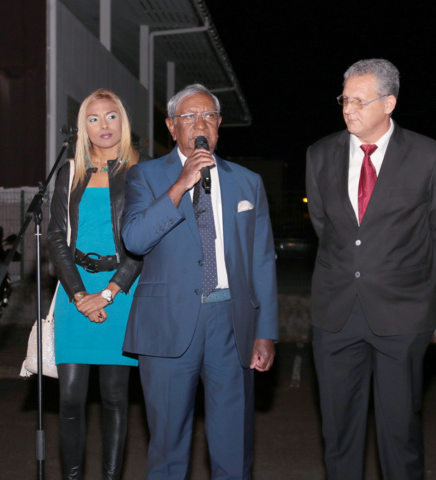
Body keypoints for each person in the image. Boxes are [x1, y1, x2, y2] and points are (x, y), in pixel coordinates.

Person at [305, 58, 436, 480]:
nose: (349, 109)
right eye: (344, 99)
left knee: (399, 432)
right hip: (336, 314)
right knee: (338, 433)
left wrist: (400, 273)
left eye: (360, 100)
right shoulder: (319, 154)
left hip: (402, 314)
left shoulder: (429, 156)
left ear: (389, 103)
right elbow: (325, 228)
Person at [121, 83, 279, 480]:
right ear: (171, 126)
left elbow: (262, 261)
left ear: (219, 124)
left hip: (232, 324)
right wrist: (180, 185)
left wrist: (265, 332)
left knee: (233, 443)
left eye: (208, 116)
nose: (200, 124)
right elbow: (135, 240)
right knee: (168, 445)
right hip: (168, 323)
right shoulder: (145, 175)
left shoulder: (247, 182)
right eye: (189, 116)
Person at [47, 88, 142, 480]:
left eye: (111, 116)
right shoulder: (70, 172)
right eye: (93, 118)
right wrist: (79, 294)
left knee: (115, 398)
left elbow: (144, 242)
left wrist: (107, 293)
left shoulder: (141, 173)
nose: (104, 125)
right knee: (70, 399)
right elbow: (56, 237)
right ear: (82, 127)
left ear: (123, 122)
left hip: (122, 291)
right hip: (75, 290)